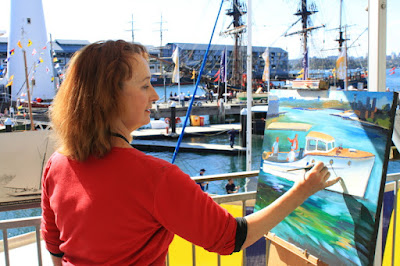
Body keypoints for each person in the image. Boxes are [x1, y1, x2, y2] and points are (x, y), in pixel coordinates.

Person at [41, 40, 340, 265]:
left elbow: (55, 247)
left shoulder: (56, 165)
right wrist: (303, 189)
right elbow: (232, 237)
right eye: (145, 85)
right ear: (110, 95)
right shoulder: (155, 178)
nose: (156, 95)